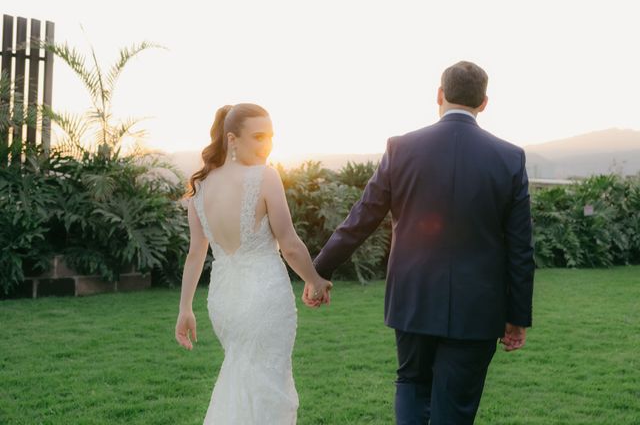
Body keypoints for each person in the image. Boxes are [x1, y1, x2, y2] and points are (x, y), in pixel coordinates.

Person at [306, 61, 535, 424]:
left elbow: (362, 217)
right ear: (484, 103)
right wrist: (518, 316)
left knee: (411, 384)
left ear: (440, 94)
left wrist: (317, 271)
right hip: (478, 306)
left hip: (412, 296)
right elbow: (521, 247)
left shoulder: (402, 148)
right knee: (455, 404)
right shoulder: (509, 157)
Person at [175, 103, 332, 424]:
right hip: (264, 297)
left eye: (271, 137)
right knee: (267, 385)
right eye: (258, 137)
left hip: (223, 299)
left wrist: (185, 308)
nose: (267, 145)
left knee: (243, 377)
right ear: (232, 139)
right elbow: (289, 244)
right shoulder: (265, 177)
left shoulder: (200, 186)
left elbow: (196, 253)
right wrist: (314, 280)